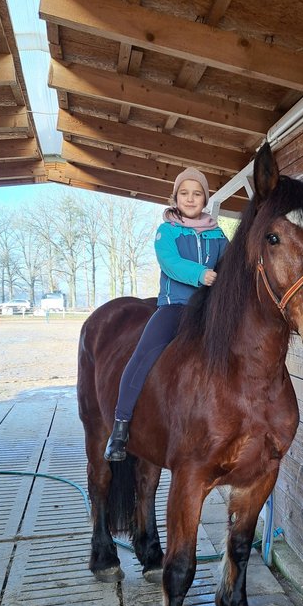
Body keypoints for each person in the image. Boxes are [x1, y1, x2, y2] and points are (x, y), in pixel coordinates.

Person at [103, 168, 227, 461]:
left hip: (210, 310)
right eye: (184, 193)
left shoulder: (217, 234)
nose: (190, 198)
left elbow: (231, 264)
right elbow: (169, 262)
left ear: (205, 199)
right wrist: (202, 274)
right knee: (143, 354)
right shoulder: (167, 231)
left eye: (197, 193)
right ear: (175, 197)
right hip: (175, 306)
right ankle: (120, 428)